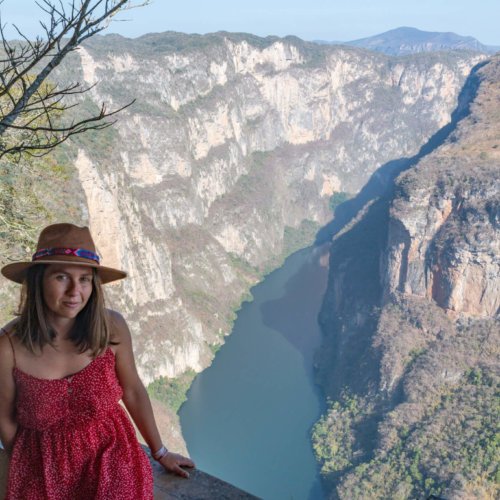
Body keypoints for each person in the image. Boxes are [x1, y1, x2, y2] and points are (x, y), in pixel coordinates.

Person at [0, 223, 195, 499]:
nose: (74, 291)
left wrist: (160, 451)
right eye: (61, 277)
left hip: (110, 457)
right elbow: (5, 418)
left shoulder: (110, 329)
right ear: (38, 279)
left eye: (84, 279)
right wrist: (27, 467)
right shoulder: (8, 345)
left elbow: (133, 391)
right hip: (40, 466)